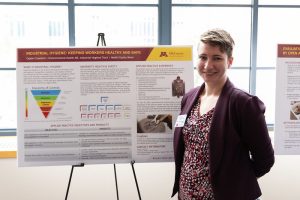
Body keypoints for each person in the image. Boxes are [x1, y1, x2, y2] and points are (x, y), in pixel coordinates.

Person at [171, 28, 275, 200]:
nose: (208, 65)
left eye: (217, 58)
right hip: (187, 194)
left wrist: (235, 182)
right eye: (203, 57)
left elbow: (265, 160)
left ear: (230, 61)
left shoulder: (244, 103)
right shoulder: (189, 97)